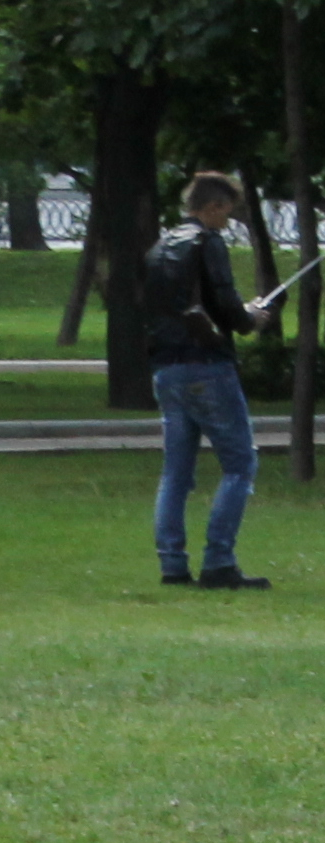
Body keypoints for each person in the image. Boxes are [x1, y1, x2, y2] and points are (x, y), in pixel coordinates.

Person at [143, 171, 272, 590]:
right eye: (227, 213)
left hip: (166, 368)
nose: (227, 222)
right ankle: (218, 561)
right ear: (214, 207)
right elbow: (224, 300)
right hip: (207, 365)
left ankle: (172, 565)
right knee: (240, 464)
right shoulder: (207, 243)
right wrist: (250, 317)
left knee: (176, 471)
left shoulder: (161, 246)